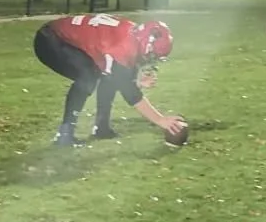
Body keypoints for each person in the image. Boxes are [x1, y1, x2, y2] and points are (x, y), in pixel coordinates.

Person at [33, 12, 187, 145]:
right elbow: (130, 93)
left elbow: (121, 78)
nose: (151, 60)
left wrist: (137, 82)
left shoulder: (132, 36)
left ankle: (101, 127)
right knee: (88, 78)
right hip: (51, 39)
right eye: (152, 55)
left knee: (107, 77)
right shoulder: (122, 45)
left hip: (64, 39)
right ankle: (65, 134)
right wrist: (160, 120)